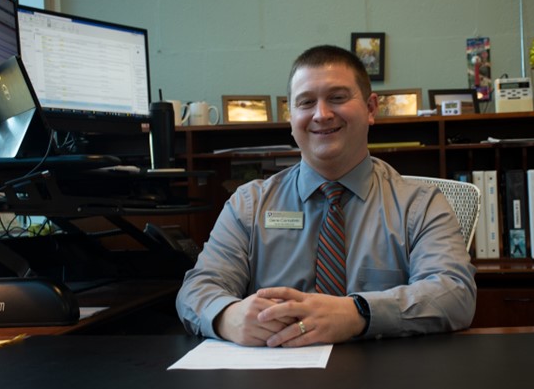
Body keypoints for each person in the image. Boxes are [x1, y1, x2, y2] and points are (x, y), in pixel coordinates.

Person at [176, 45, 477, 347]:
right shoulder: (249, 205)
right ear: (291, 117)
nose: (321, 114)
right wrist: (228, 316)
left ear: (371, 109)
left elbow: (455, 293)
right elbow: (197, 289)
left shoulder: (421, 204)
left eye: (338, 98)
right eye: (306, 102)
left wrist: (357, 313)